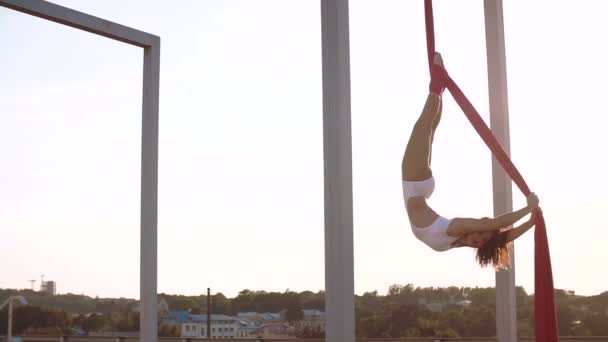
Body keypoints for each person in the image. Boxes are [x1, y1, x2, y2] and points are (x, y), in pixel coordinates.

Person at [401, 52, 540, 268]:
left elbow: (496, 230)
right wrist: (530, 220)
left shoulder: (455, 235)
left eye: (479, 241)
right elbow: (500, 233)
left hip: (416, 184)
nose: (478, 238)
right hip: (415, 182)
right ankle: (438, 82)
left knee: (427, 127)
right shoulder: (456, 232)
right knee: (425, 126)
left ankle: (441, 84)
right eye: (482, 237)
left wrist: (528, 211)